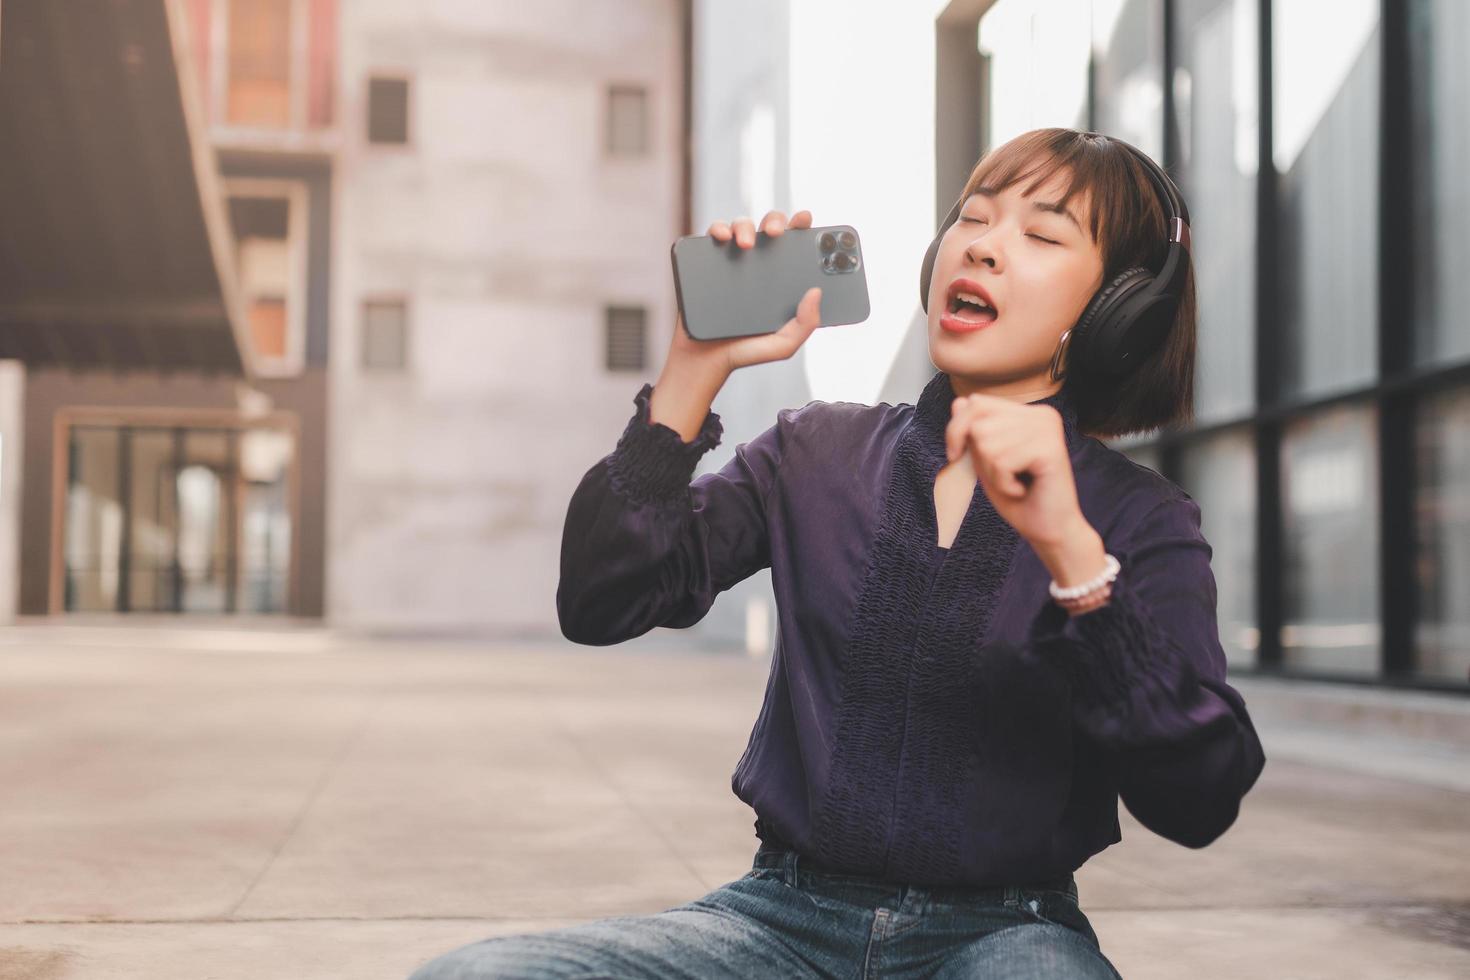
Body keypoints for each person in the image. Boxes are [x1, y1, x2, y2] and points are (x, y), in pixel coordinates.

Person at [406, 127, 1267, 980]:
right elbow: (601, 601)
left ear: (1119, 312)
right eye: (972, 219)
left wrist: (1074, 557)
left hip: (1009, 940)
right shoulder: (815, 451)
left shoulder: (1138, 518)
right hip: (776, 922)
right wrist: (689, 377)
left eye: (1041, 235)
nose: (986, 248)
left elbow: (1200, 796)